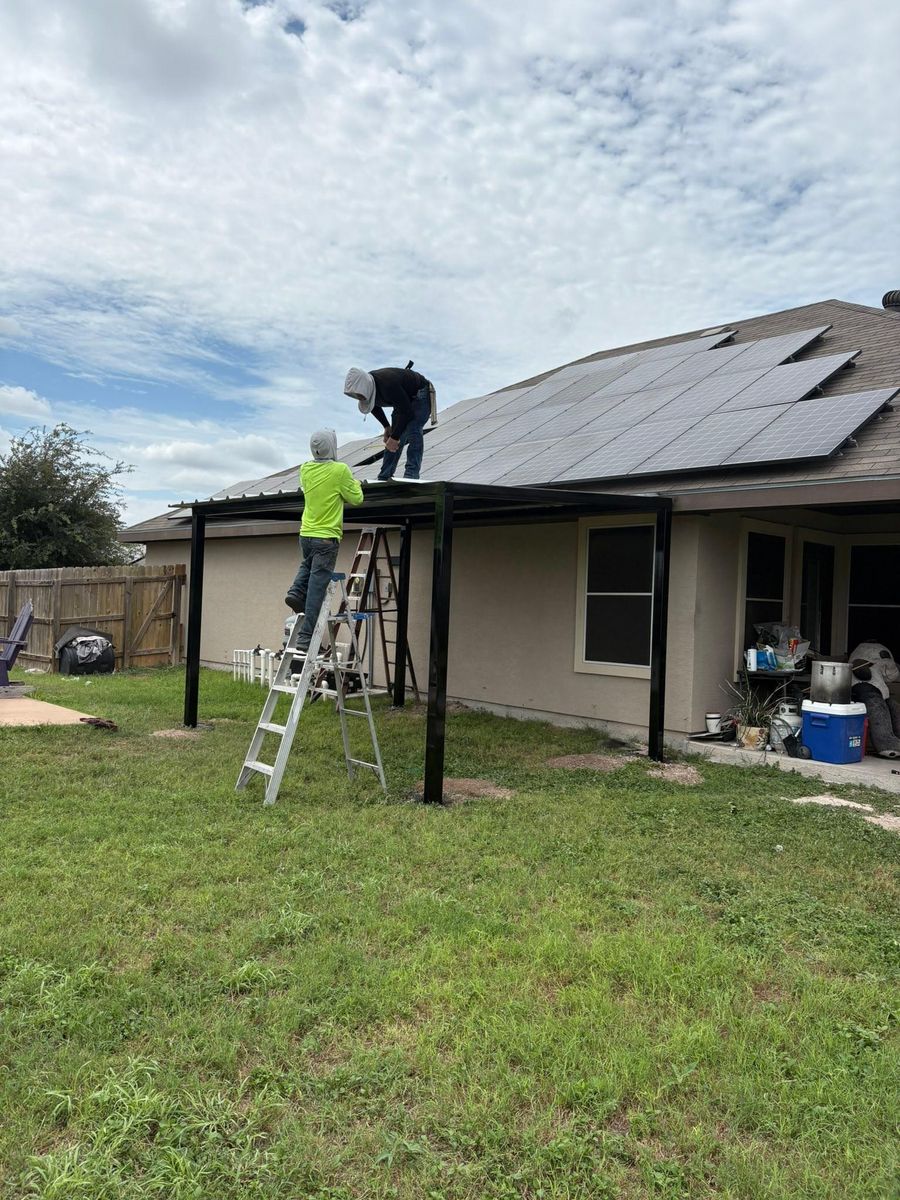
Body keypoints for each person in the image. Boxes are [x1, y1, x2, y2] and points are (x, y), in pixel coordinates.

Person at [284, 429, 363, 653]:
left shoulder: (305, 469)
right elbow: (356, 498)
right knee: (317, 589)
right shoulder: (340, 470)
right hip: (326, 537)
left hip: (306, 534)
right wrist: (355, 483)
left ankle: (295, 592)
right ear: (333, 446)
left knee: (306, 565)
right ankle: (306, 638)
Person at [344, 364, 433, 481]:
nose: (359, 397)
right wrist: (386, 426)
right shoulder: (368, 387)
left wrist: (395, 437)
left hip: (420, 393)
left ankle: (412, 475)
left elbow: (407, 412)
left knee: (413, 429)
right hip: (402, 400)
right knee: (393, 437)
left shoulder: (387, 383)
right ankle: (384, 476)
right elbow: (373, 406)